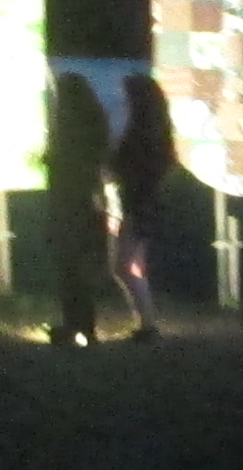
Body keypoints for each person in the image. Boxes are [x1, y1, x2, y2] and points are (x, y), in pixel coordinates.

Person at [44, 71, 116, 346]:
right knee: (83, 265)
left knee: (68, 266)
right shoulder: (97, 122)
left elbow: (59, 161)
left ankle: (73, 325)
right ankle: (86, 327)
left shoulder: (66, 126)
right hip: (89, 201)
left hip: (66, 201)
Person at [110, 72, 178, 340]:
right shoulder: (158, 132)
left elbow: (120, 166)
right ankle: (145, 323)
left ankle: (147, 324)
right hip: (146, 203)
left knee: (123, 264)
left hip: (137, 202)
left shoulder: (139, 134)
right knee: (132, 264)